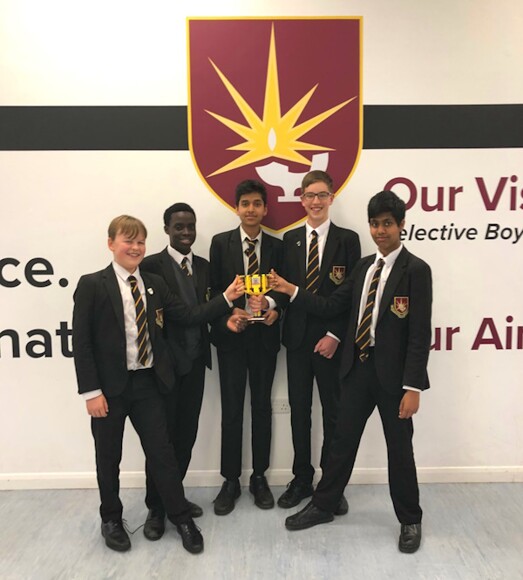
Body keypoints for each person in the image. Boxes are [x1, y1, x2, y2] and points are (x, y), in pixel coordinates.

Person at [270, 190, 432, 554]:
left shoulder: (416, 270)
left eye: (387, 224)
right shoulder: (362, 267)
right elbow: (330, 306)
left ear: (401, 225)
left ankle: (410, 519)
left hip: (395, 379)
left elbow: (420, 334)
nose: (380, 231)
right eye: (375, 224)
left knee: (399, 449)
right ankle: (324, 505)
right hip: (357, 367)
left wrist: (413, 387)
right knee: (342, 441)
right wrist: (291, 290)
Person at [72, 215, 244, 554]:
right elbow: (82, 343)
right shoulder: (92, 284)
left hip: (148, 384)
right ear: (111, 244)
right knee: (108, 457)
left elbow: (189, 316)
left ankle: (180, 518)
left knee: (163, 454)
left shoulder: (153, 283)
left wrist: (226, 298)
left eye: (140, 241)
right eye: (128, 241)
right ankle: (111, 519)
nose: (135, 247)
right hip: (108, 390)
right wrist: (91, 392)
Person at [278, 170, 360, 512]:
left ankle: (331, 484)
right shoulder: (290, 240)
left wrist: (335, 335)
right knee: (299, 412)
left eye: (322, 195)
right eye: (310, 195)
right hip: (297, 341)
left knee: (333, 414)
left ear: (331, 198)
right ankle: (301, 478)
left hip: (330, 342)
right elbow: (282, 291)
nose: (316, 201)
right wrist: (269, 307)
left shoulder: (348, 240)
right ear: (301, 199)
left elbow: (352, 296)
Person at [209, 179, 284, 515]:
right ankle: (230, 480)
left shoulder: (278, 246)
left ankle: (259, 477)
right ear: (236, 208)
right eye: (245, 204)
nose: (251, 209)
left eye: (256, 203)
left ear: (265, 209)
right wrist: (229, 313)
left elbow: (284, 289)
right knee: (232, 410)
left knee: (261, 408)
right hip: (232, 340)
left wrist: (273, 306)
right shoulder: (219, 243)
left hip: (264, 339)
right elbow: (213, 290)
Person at [139, 203, 210, 540]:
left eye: (190, 226)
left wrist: (231, 317)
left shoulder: (205, 266)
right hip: (164, 369)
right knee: (161, 442)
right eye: (179, 226)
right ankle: (155, 507)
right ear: (166, 228)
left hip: (196, 365)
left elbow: (209, 310)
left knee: (186, 436)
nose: (185, 232)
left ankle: (173, 498)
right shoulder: (150, 266)